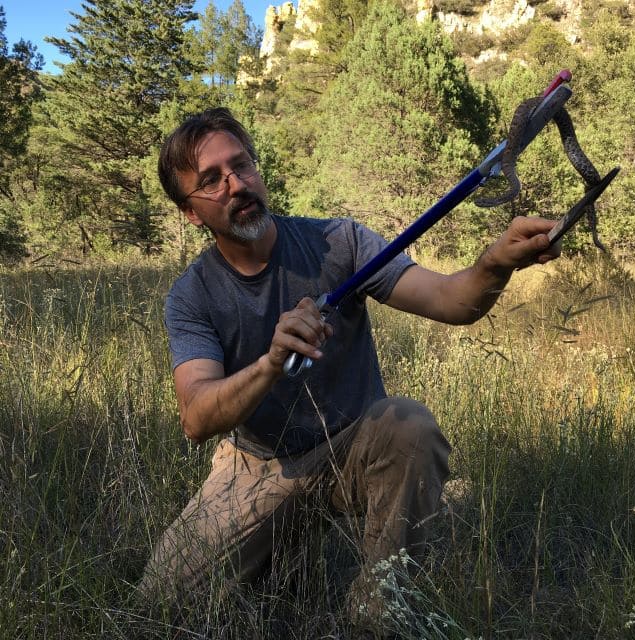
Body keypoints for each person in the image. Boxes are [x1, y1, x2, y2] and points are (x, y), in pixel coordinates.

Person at [138, 107, 560, 633]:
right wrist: (270, 364)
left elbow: (453, 301)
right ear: (191, 213)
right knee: (160, 601)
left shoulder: (340, 243)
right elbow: (197, 417)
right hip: (258, 465)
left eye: (241, 165)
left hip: (353, 445)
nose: (235, 184)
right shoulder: (192, 295)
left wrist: (494, 263)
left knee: (410, 426)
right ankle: (288, 550)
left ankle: (378, 613)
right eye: (211, 181)